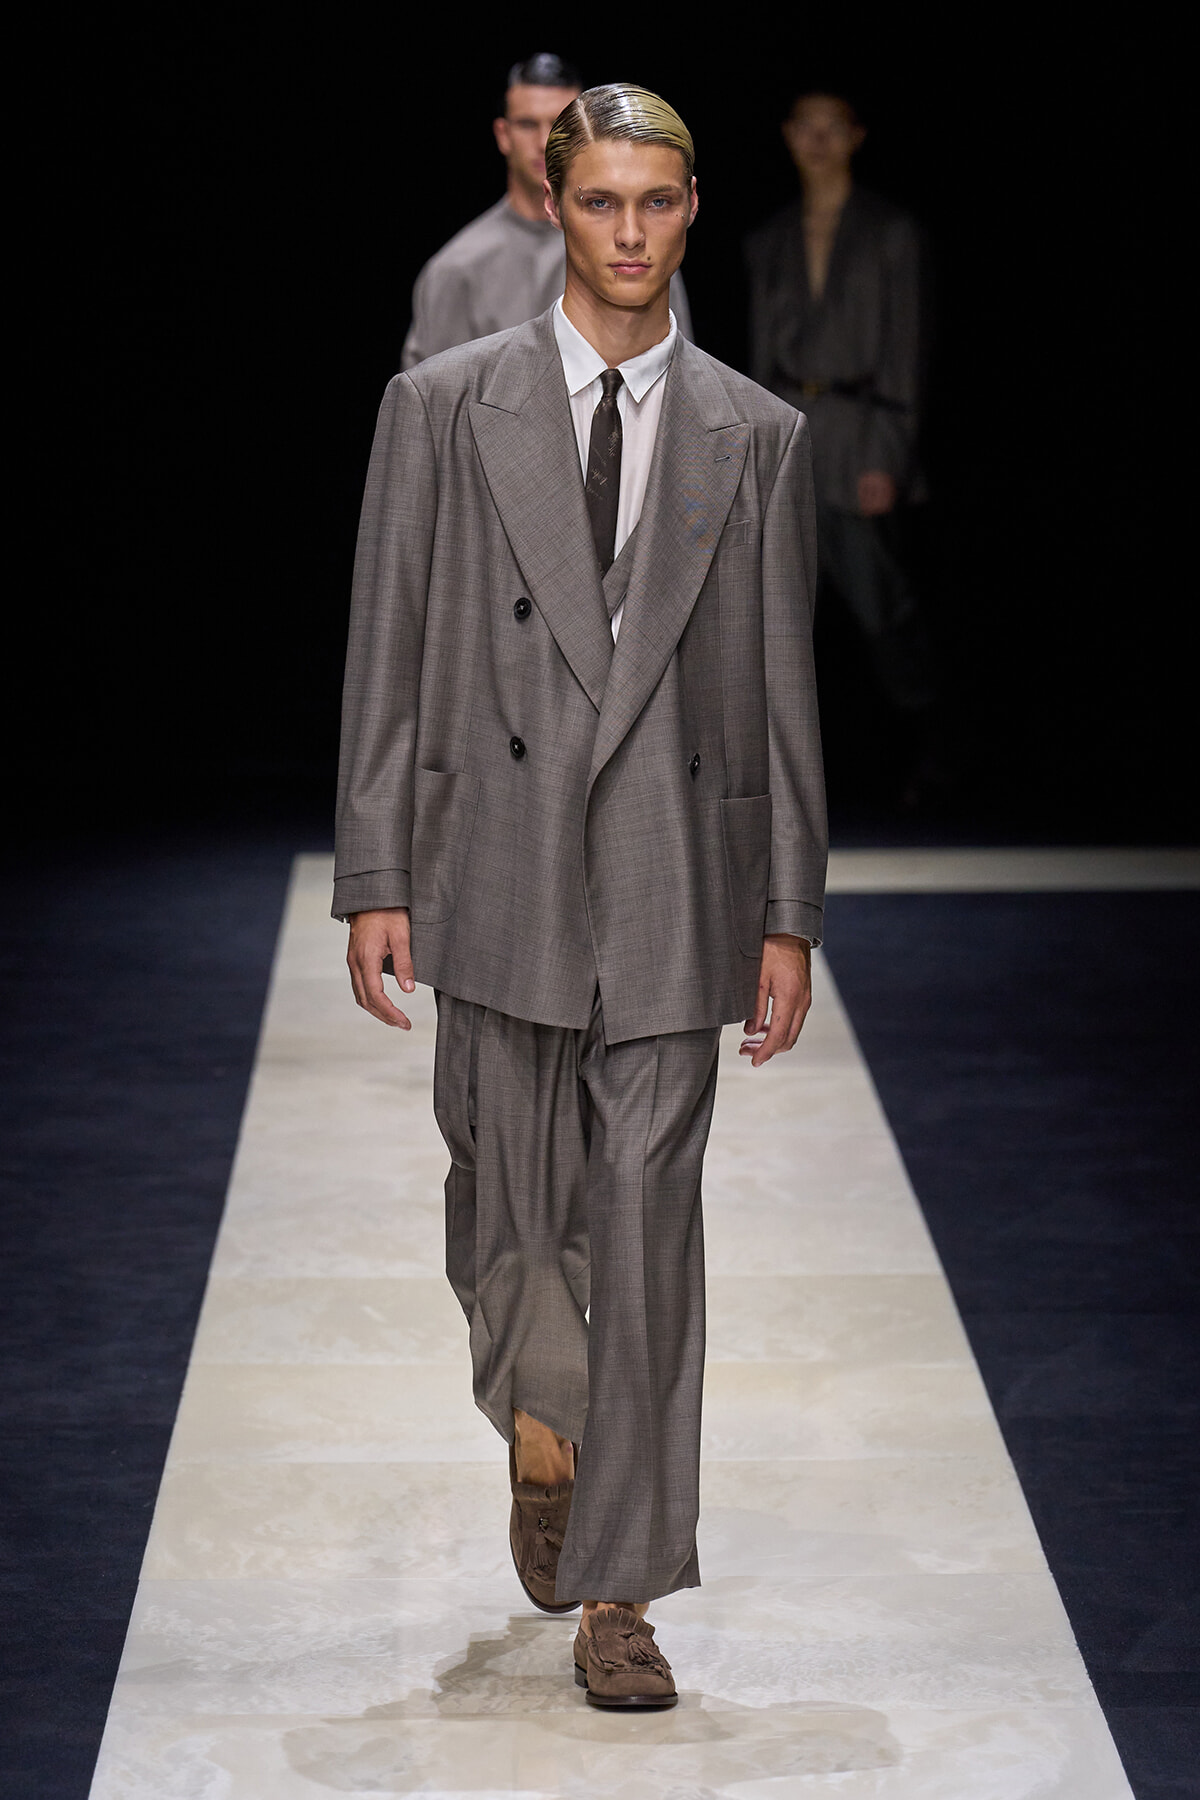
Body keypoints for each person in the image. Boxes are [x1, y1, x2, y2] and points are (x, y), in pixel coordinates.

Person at [335, 83, 826, 1709]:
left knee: (651, 1235)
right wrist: (378, 868)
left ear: (692, 212)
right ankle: (547, 1417)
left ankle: (623, 1588)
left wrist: (787, 913)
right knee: (505, 1214)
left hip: (676, 880)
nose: (629, 234)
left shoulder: (756, 437)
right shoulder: (447, 407)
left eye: (659, 205)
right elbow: (389, 643)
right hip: (497, 863)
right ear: (556, 202)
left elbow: (774, 689)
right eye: (601, 201)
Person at [745, 91, 936, 792]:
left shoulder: (890, 232)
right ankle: (780, 773)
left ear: (855, 136)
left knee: (880, 603)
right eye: (807, 128)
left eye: (834, 128)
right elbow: (762, 359)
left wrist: (889, 453)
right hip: (792, 428)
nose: (819, 141)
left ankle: (930, 747)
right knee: (779, 613)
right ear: (789, 136)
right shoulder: (770, 239)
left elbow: (906, 349)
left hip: (861, 432)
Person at [402, 54, 693, 368]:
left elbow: (680, 380)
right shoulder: (457, 270)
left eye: (558, 125)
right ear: (503, 135)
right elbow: (435, 402)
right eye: (528, 125)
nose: (544, 142)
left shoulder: (635, 253)